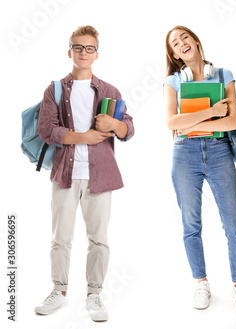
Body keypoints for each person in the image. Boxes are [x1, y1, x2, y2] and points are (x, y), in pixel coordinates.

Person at [34, 25, 135, 323]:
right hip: (65, 173)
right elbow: (45, 129)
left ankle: (94, 295)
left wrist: (114, 127)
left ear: (97, 54)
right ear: (70, 51)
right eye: (78, 47)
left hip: (100, 175)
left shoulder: (110, 91)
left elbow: (129, 128)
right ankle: (59, 292)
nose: (83, 52)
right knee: (60, 238)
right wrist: (85, 137)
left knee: (99, 238)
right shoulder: (54, 89)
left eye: (89, 48)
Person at [163, 25, 236, 314]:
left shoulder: (224, 75)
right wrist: (211, 112)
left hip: (219, 151)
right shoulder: (173, 81)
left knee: (234, 224)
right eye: (175, 44)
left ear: (196, 40)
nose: (181, 44)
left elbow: (233, 123)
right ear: (175, 55)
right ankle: (201, 282)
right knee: (191, 225)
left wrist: (191, 122)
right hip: (184, 155)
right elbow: (171, 123)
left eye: (184, 37)